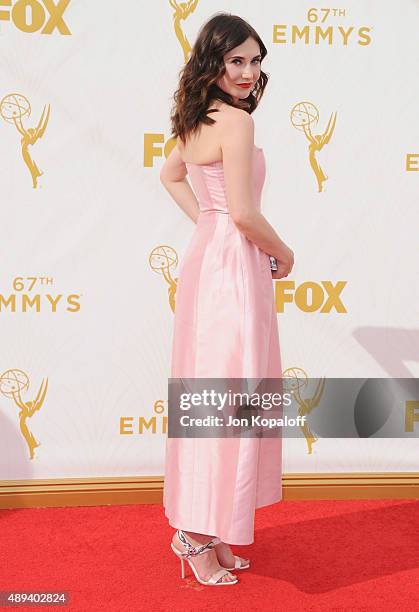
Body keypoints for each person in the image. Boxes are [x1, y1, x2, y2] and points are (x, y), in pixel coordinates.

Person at [159, 13, 294, 586]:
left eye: (255, 60)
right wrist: (286, 253)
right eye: (236, 60)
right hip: (233, 265)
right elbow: (242, 212)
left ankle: (206, 529)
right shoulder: (235, 124)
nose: (247, 72)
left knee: (212, 391)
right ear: (212, 61)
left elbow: (172, 176)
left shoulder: (193, 118)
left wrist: (205, 222)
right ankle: (193, 536)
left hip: (208, 260)